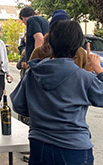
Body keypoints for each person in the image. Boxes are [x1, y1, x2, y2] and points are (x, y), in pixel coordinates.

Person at [10, 20, 103, 165]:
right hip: (73, 148)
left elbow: (18, 106)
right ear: (78, 46)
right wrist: (98, 69)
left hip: (39, 145)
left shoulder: (32, 74)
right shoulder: (83, 78)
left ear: (50, 43)